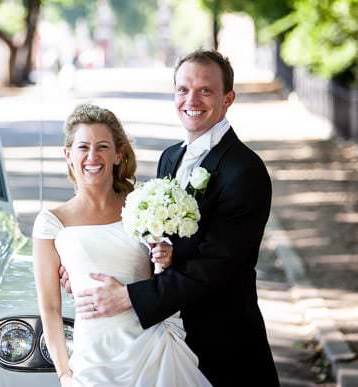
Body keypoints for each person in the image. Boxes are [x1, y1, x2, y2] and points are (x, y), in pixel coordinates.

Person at [68, 50, 281, 386]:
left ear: (228, 98)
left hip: (221, 345)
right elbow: (161, 244)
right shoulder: (171, 157)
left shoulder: (245, 171)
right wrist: (85, 266)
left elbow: (216, 265)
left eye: (205, 90)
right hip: (162, 340)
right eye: (183, 90)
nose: (191, 100)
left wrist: (127, 297)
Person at [32, 104, 211, 386]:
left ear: (118, 155)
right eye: (83, 147)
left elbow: (164, 279)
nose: (93, 157)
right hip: (94, 359)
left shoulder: (144, 205)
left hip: (152, 350)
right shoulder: (51, 222)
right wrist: (64, 373)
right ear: (68, 154)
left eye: (103, 146)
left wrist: (164, 260)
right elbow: (50, 308)